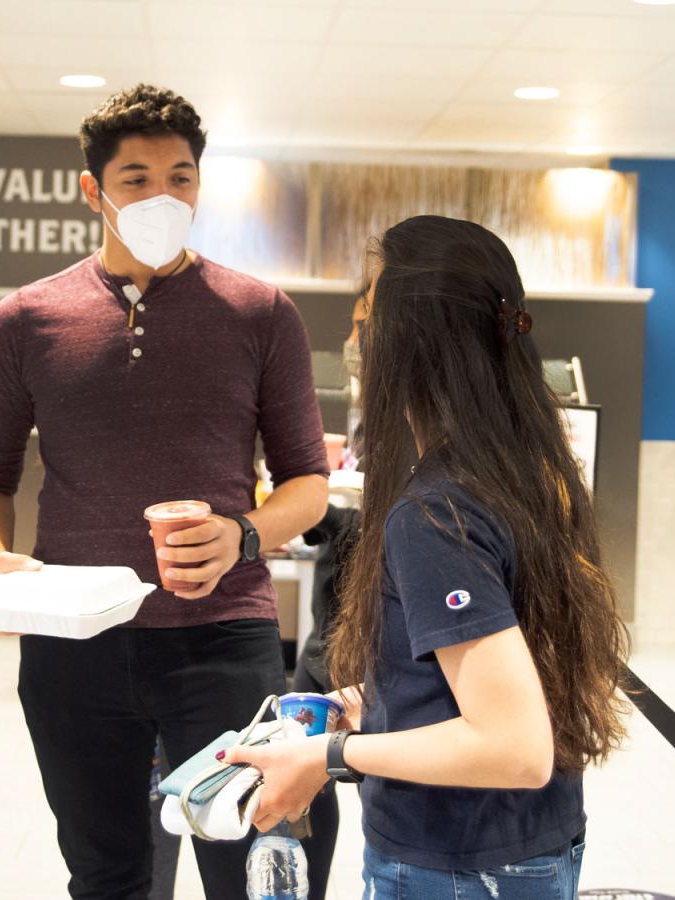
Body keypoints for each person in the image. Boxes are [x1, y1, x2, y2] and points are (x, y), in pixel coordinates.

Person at [0, 84, 329, 900]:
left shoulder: (261, 314)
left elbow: (308, 483)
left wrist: (244, 534)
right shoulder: (25, 322)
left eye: (181, 177)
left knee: (252, 867)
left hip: (223, 637)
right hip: (73, 645)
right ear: (93, 191)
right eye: (136, 179)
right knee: (107, 873)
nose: (163, 196)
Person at [226, 215, 629, 900]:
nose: (355, 341)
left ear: (409, 340)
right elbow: (500, 674)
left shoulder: (435, 513)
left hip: (457, 866)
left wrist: (327, 756)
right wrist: (377, 706)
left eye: (367, 318)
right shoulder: (527, 472)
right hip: (531, 842)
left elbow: (514, 747)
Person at [285, 291, 369, 900]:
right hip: (330, 641)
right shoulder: (371, 408)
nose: (354, 338)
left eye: (364, 324)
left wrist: (329, 517)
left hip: (384, 649)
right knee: (305, 776)